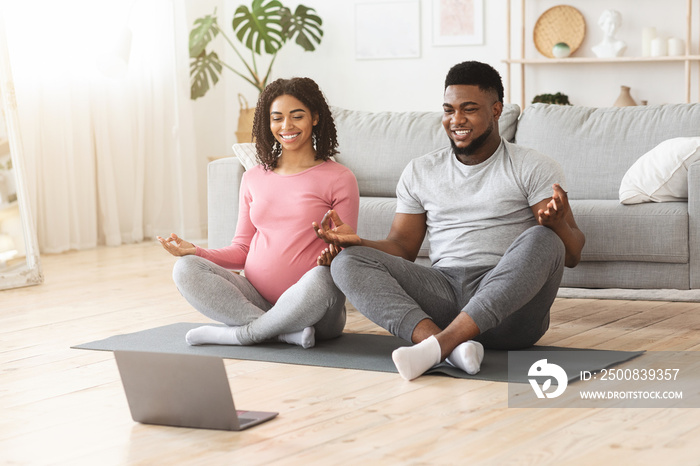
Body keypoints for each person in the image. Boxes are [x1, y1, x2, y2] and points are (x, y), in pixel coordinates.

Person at [313, 61, 585, 380]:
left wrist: (556, 227)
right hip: (442, 291)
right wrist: (357, 243)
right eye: (449, 110)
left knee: (543, 238)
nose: (457, 120)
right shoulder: (420, 171)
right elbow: (402, 247)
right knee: (347, 262)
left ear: (496, 110)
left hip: (510, 311)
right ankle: (453, 348)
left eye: (469, 109)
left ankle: (438, 346)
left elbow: (572, 255)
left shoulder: (533, 166)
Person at [158, 77, 359, 349]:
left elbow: (347, 252)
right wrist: (195, 251)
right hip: (256, 299)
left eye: (296, 116)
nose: (286, 126)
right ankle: (280, 332)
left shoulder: (339, 178)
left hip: (316, 309)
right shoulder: (253, 177)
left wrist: (337, 252)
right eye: (277, 118)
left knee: (322, 277)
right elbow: (241, 249)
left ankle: (241, 335)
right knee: (184, 269)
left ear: (315, 118)